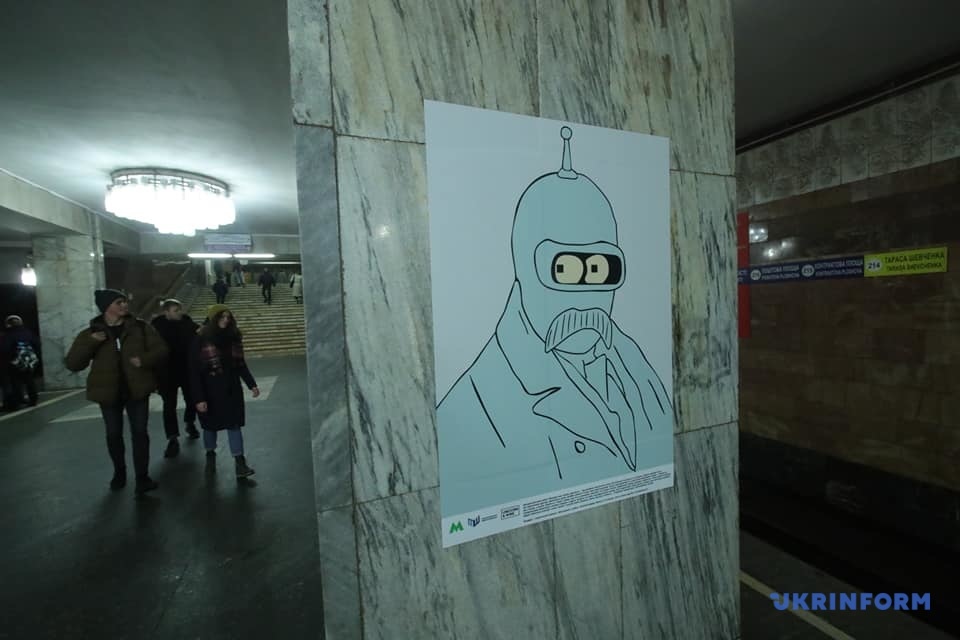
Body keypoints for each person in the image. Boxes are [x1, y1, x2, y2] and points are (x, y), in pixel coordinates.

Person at [437, 127, 673, 513]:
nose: (585, 296)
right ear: (525, 268)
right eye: (563, 269)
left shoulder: (636, 368)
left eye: (600, 269)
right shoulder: (471, 409)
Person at [65, 289, 168, 494]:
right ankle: (119, 472)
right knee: (113, 434)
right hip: (108, 392)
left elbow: (161, 349)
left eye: (124, 301)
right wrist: (92, 341)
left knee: (140, 433)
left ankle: (142, 477)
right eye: (118, 302)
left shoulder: (140, 327)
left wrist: (144, 360)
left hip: (137, 390)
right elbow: (73, 363)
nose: (124, 305)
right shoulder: (90, 333)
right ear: (106, 307)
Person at [190, 304, 260, 479]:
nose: (226, 320)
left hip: (231, 389)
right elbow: (194, 371)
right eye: (222, 317)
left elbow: (240, 364)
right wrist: (199, 398)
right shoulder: (201, 339)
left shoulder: (233, 337)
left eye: (228, 317)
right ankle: (210, 457)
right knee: (210, 427)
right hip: (209, 390)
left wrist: (251, 384)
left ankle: (240, 463)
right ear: (213, 319)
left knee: (234, 425)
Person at [151, 299, 201, 457]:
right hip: (166, 372)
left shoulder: (187, 322)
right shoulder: (156, 327)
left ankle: (189, 422)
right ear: (166, 312)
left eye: (180, 309)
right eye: (175, 310)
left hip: (186, 369)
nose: (179, 312)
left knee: (192, 399)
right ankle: (172, 438)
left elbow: (199, 334)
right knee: (169, 405)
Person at [1, 315, 40, 410]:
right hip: (28, 361)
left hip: (14, 362)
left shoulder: (9, 334)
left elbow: (5, 348)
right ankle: (33, 400)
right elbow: (36, 344)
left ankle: (17, 402)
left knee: (15, 382)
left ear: (9, 324)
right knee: (29, 380)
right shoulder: (28, 332)